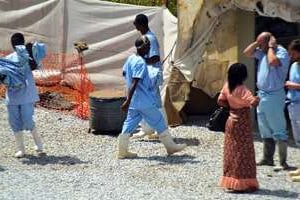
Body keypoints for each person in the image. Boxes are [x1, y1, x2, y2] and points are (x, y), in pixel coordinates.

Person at [116, 36, 186, 159]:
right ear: (140, 47)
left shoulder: (131, 58)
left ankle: (122, 151)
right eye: (147, 46)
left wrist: (129, 99)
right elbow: (135, 82)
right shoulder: (141, 62)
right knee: (159, 120)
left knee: (129, 123)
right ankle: (170, 147)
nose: (149, 48)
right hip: (144, 100)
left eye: (149, 46)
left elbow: (124, 73)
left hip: (134, 101)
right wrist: (127, 101)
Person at [243, 32, 290, 170]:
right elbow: (247, 53)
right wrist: (258, 43)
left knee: (278, 128)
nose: (259, 47)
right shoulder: (263, 52)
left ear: (269, 42)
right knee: (264, 128)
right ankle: (267, 158)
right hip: (262, 95)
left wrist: (270, 47)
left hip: (274, 95)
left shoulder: (281, 52)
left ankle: (283, 162)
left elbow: (273, 62)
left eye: (261, 44)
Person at [218, 63, 259, 192]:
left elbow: (220, 100)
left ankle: (231, 181)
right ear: (243, 75)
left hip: (231, 121)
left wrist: (231, 105)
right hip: (243, 123)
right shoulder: (243, 89)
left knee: (231, 151)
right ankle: (244, 183)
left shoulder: (227, 86)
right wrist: (257, 98)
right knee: (244, 153)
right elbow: (253, 102)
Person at [2, 33, 45, 158]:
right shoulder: (8, 59)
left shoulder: (28, 57)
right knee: (13, 120)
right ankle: (21, 149)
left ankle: (39, 145)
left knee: (28, 119)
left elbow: (35, 64)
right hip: (13, 95)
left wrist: (30, 51)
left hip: (27, 94)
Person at [131, 14, 165, 140]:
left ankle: (160, 130)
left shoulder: (150, 38)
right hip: (147, 76)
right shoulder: (145, 37)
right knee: (145, 102)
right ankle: (147, 129)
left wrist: (141, 61)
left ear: (141, 24)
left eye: (135, 23)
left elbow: (155, 58)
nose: (134, 25)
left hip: (152, 75)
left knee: (154, 103)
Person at [285, 39, 300, 181]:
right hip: (293, 103)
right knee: (297, 138)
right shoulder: (294, 65)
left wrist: (293, 85)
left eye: (293, 52)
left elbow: (295, 84)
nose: (291, 55)